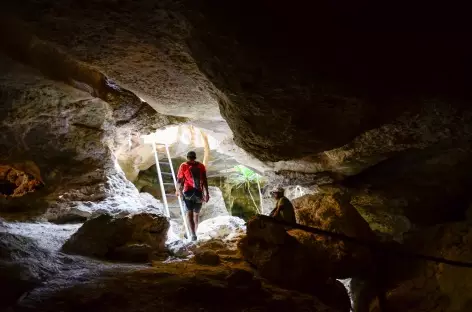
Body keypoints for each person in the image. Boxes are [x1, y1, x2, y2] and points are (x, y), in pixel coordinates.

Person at [176, 151, 210, 241]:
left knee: (189, 215)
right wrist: (207, 194)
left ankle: (193, 235)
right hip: (199, 194)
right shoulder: (201, 166)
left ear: (187, 157)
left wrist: (178, 190)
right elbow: (205, 180)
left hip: (188, 193)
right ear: (195, 157)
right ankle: (194, 234)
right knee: (196, 216)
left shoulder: (183, 166)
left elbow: (179, 179)